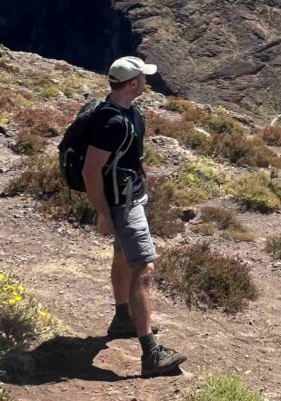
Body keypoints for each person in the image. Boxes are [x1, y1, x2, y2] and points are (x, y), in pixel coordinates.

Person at [82, 56, 187, 377]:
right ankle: (151, 354)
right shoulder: (111, 121)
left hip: (131, 196)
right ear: (132, 84)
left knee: (122, 255)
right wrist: (103, 213)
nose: (147, 82)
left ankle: (122, 318)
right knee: (143, 267)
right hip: (123, 204)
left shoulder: (127, 112)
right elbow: (90, 171)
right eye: (143, 78)